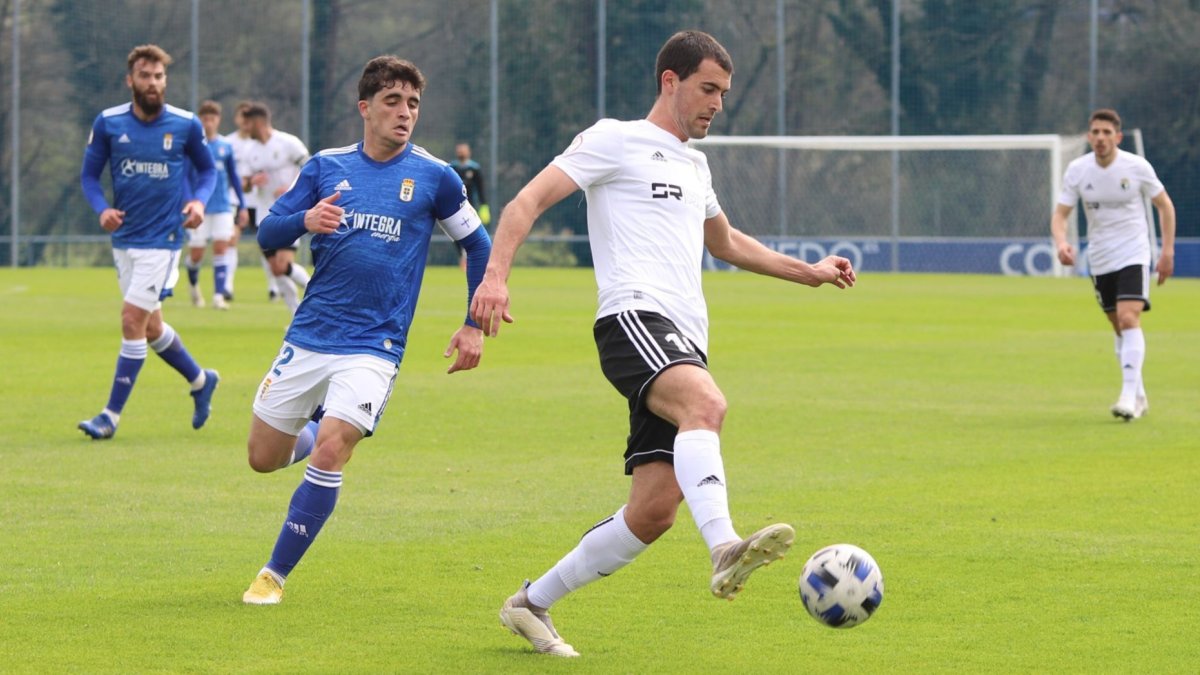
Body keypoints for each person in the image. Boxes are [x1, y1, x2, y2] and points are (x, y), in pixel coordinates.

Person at [470, 30, 857, 657]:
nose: (717, 104)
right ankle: (724, 547)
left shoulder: (695, 165)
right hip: (632, 318)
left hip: (682, 338)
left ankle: (530, 603)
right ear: (670, 81)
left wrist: (807, 272)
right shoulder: (614, 138)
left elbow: (726, 243)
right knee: (707, 404)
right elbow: (525, 201)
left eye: (724, 93)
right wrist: (494, 278)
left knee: (653, 511)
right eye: (708, 89)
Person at [240, 55, 492, 605]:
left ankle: (273, 575)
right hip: (309, 335)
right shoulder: (325, 168)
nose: (405, 113)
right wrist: (306, 221)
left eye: (413, 104)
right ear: (365, 107)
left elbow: (478, 244)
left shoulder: (435, 177)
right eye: (393, 101)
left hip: (375, 347)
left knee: (334, 448)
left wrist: (473, 323)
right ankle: (314, 426)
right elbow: (268, 233)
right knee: (262, 456)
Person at [78, 44, 221, 440]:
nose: (153, 83)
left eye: (159, 76)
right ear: (131, 80)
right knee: (151, 326)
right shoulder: (108, 123)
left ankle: (110, 416)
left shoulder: (185, 123)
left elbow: (207, 171)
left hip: (165, 239)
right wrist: (101, 209)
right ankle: (201, 380)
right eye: (145, 76)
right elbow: (89, 176)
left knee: (131, 320)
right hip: (125, 239)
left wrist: (198, 201)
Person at [1052, 108, 1176, 421]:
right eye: (1095, 132)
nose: (1100, 138)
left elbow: (1164, 205)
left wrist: (1167, 251)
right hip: (1101, 257)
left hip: (1134, 252)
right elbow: (1061, 214)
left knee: (1129, 316)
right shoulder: (1078, 170)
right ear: (1088, 136)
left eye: (1107, 132)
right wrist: (1061, 243)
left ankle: (1127, 396)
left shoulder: (1136, 167)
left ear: (1118, 137)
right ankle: (1139, 395)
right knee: (1118, 325)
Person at [241, 102, 312, 312]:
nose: (245, 128)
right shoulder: (249, 151)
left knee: (282, 264)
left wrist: (291, 188)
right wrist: (251, 181)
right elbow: (243, 185)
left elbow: (310, 167)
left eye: (248, 124)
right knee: (276, 269)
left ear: (258, 122)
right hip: (264, 216)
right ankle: (296, 315)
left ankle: (317, 292)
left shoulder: (288, 143)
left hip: (289, 212)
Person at [184, 100, 249, 310]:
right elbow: (184, 176)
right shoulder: (194, 147)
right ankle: (193, 285)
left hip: (223, 206)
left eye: (212, 119)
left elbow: (234, 177)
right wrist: (189, 200)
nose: (209, 123)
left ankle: (218, 296)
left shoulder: (225, 146)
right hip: (199, 207)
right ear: (200, 120)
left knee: (221, 249)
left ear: (218, 120)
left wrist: (242, 205)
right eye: (205, 119)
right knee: (197, 255)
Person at [449, 142, 490, 269]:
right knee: (455, 233)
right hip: (453, 207)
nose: (461, 152)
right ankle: (462, 256)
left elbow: (480, 188)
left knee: (471, 232)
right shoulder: (452, 167)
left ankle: (469, 257)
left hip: (470, 206)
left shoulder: (474, 168)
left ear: (469, 152)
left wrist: (484, 206)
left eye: (463, 150)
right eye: (459, 150)